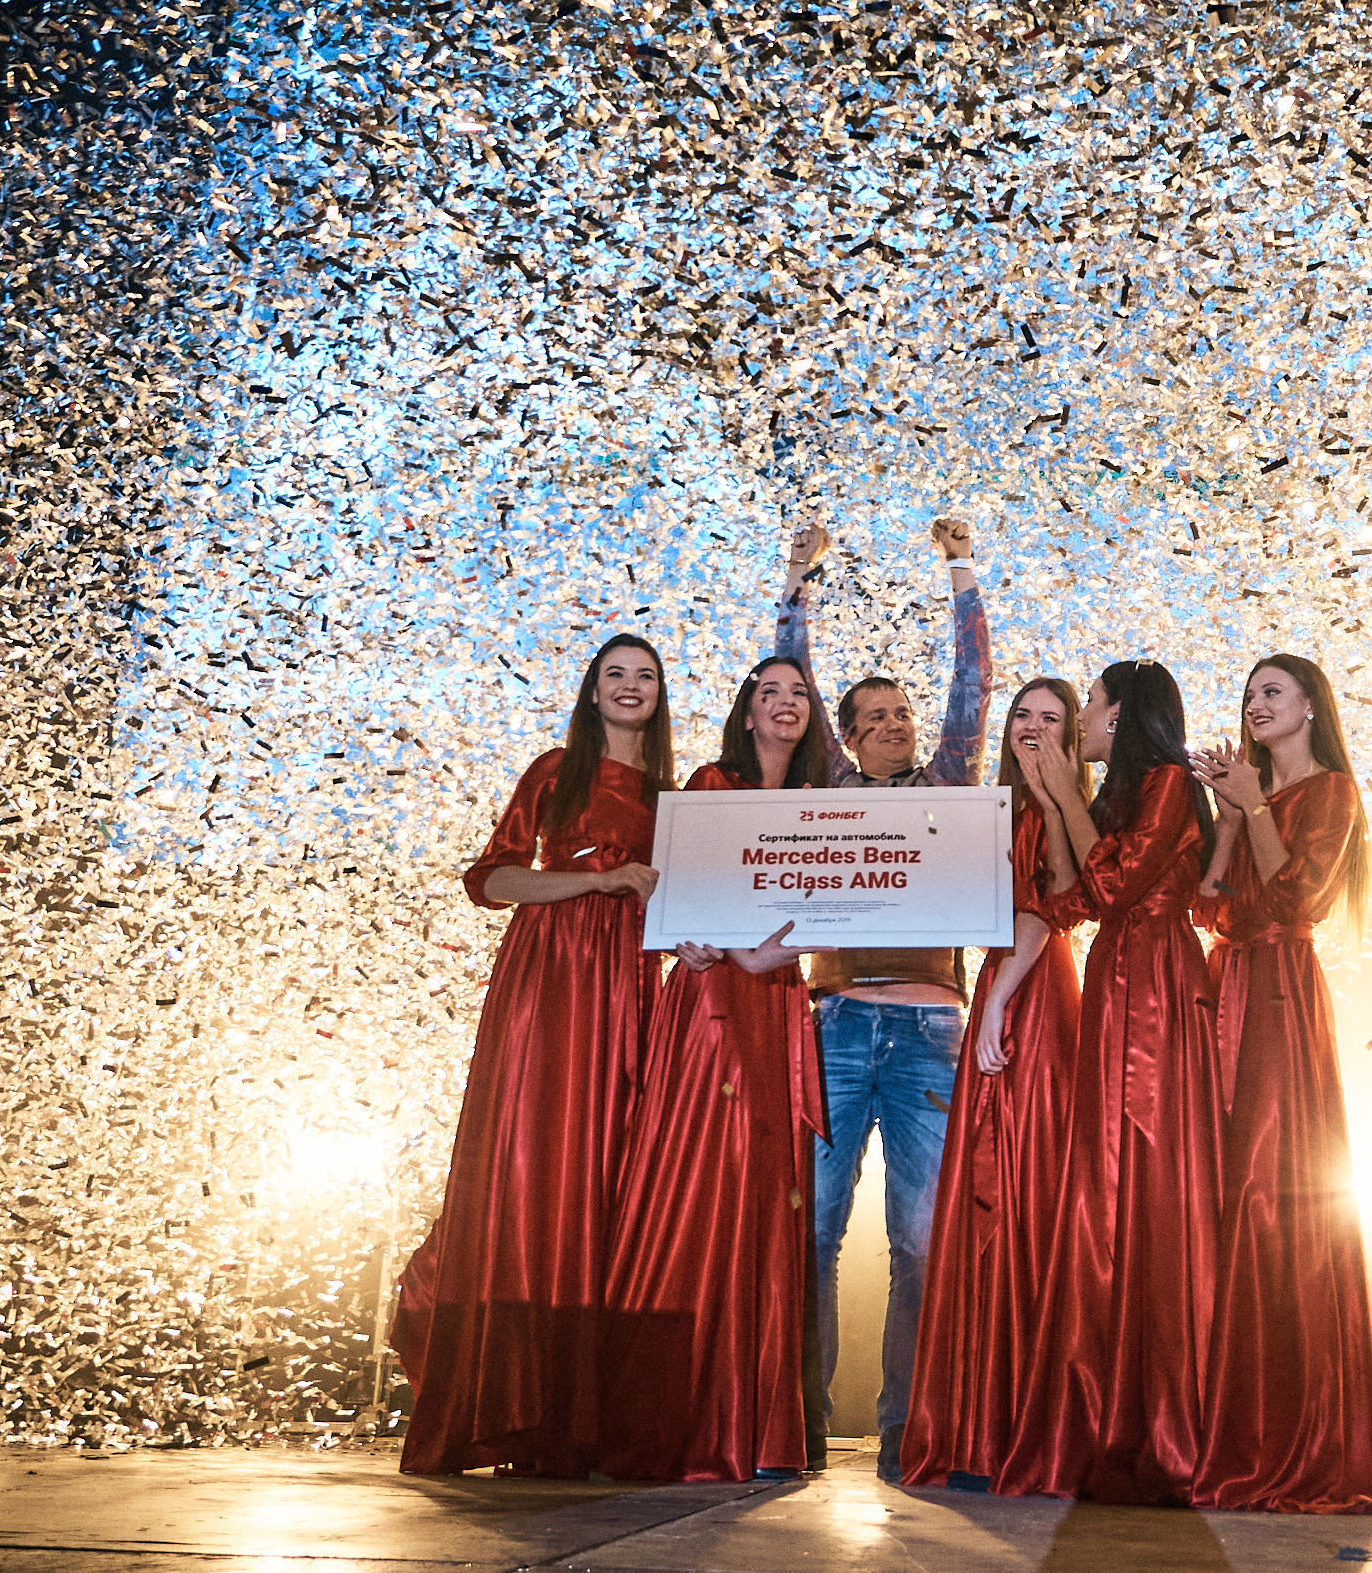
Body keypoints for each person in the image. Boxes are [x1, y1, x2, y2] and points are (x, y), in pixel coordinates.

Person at [393, 634, 673, 1477]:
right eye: (615, 676)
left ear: (661, 697)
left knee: (608, 1173)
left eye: (646, 677)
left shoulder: (675, 797)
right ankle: (511, 1403)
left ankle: (580, 1414)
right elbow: (494, 880)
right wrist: (597, 881)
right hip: (550, 984)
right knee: (535, 1167)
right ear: (592, 693)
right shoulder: (556, 772)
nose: (630, 688)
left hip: (630, 986)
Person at [772, 517, 993, 1482]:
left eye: (906, 714)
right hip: (832, 1025)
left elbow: (973, 689)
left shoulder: (949, 781)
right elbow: (797, 687)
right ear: (850, 741)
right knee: (813, 1228)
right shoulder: (828, 789)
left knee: (922, 1236)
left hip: (930, 1030)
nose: (902, 725)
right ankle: (802, 1426)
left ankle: (908, 1427)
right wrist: (796, 585)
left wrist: (961, 573)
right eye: (880, 718)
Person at [992, 660, 1224, 1505]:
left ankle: (1167, 1419)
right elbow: (1075, 896)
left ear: (1121, 714)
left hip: (1158, 983)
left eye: (1089, 704)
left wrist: (1063, 802)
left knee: (1151, 1184)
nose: (1080, 720)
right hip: (1116, 980)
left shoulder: (1165, 782)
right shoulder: (1121, 797)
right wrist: (1056, 803)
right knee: (1107, 1191)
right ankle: (1109, 1408)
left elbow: (1122, 883)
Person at [1188, 656, 1372, 1514]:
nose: (1255, 705)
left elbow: (1295, 900)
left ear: (1312, 707)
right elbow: (1213, 901)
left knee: (1268, 1195)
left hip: (1280, 997)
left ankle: (1295, 1433)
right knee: (1220, 1191)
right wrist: (1227, 814)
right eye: (1247, 695)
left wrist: (1250, 808)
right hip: (1225, 990)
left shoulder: (1332, 794)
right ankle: (1227, 1424)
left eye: (1272, 692)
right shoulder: (1250, 795)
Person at [594, 657, 827, 1482]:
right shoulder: (709, 784)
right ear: (747, 710)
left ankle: (754, 1428)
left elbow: (839, 900)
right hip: (712, 1004)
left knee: (766, 1196)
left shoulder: (825, 806)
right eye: (770, 691)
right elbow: (683, 890)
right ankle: (679, 1418)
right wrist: (733, 948)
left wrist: (783, 952)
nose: (786, 702)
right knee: (700, 1184)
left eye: (800, 693)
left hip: (776, 1005)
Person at [899, 678, 1087, 1492]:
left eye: (1052, 720)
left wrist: (1002, 1004)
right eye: (1024, 716)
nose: (1033, 729)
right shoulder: (991, 811)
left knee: (1016, 1192)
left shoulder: (1056, 807)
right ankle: (983, 1420)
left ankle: (1014, 1424)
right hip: (999, 990)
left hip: (1031, 996)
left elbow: (1048, 908)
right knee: (984, 1197)